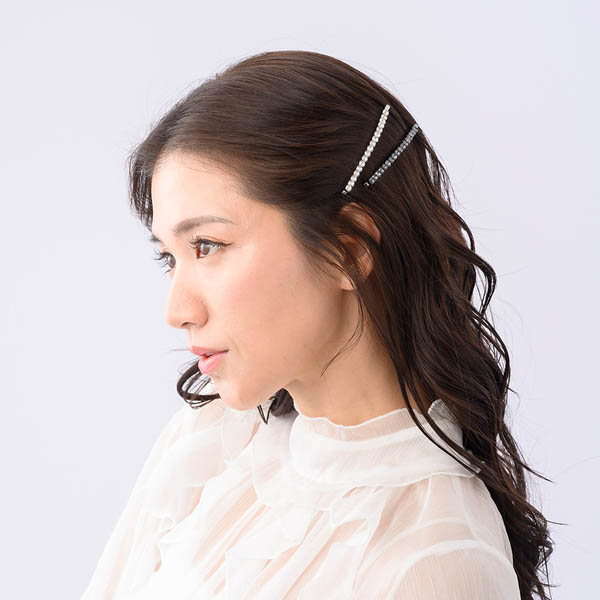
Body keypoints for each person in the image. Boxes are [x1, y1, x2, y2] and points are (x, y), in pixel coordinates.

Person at [82, 50, 554, 599]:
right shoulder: (215, 436)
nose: (176, 311)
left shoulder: (435, 563)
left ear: (348, 249)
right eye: (170, 257)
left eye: (207, 245)